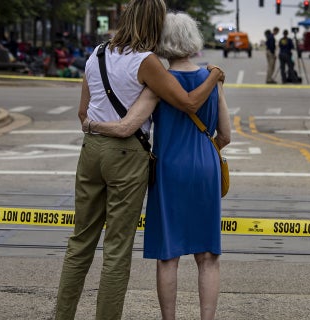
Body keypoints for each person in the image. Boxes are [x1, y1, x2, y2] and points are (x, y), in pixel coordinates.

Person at [54, 1, 225, 319]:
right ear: (153, 25)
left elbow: (83, 111)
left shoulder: (97, 53)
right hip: (125, 153)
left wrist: (93, 126)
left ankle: (62, 314)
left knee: (80, 241)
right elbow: (188, 102)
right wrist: (215, 75)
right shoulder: (147, 62)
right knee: (116, 249)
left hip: (91, 151)